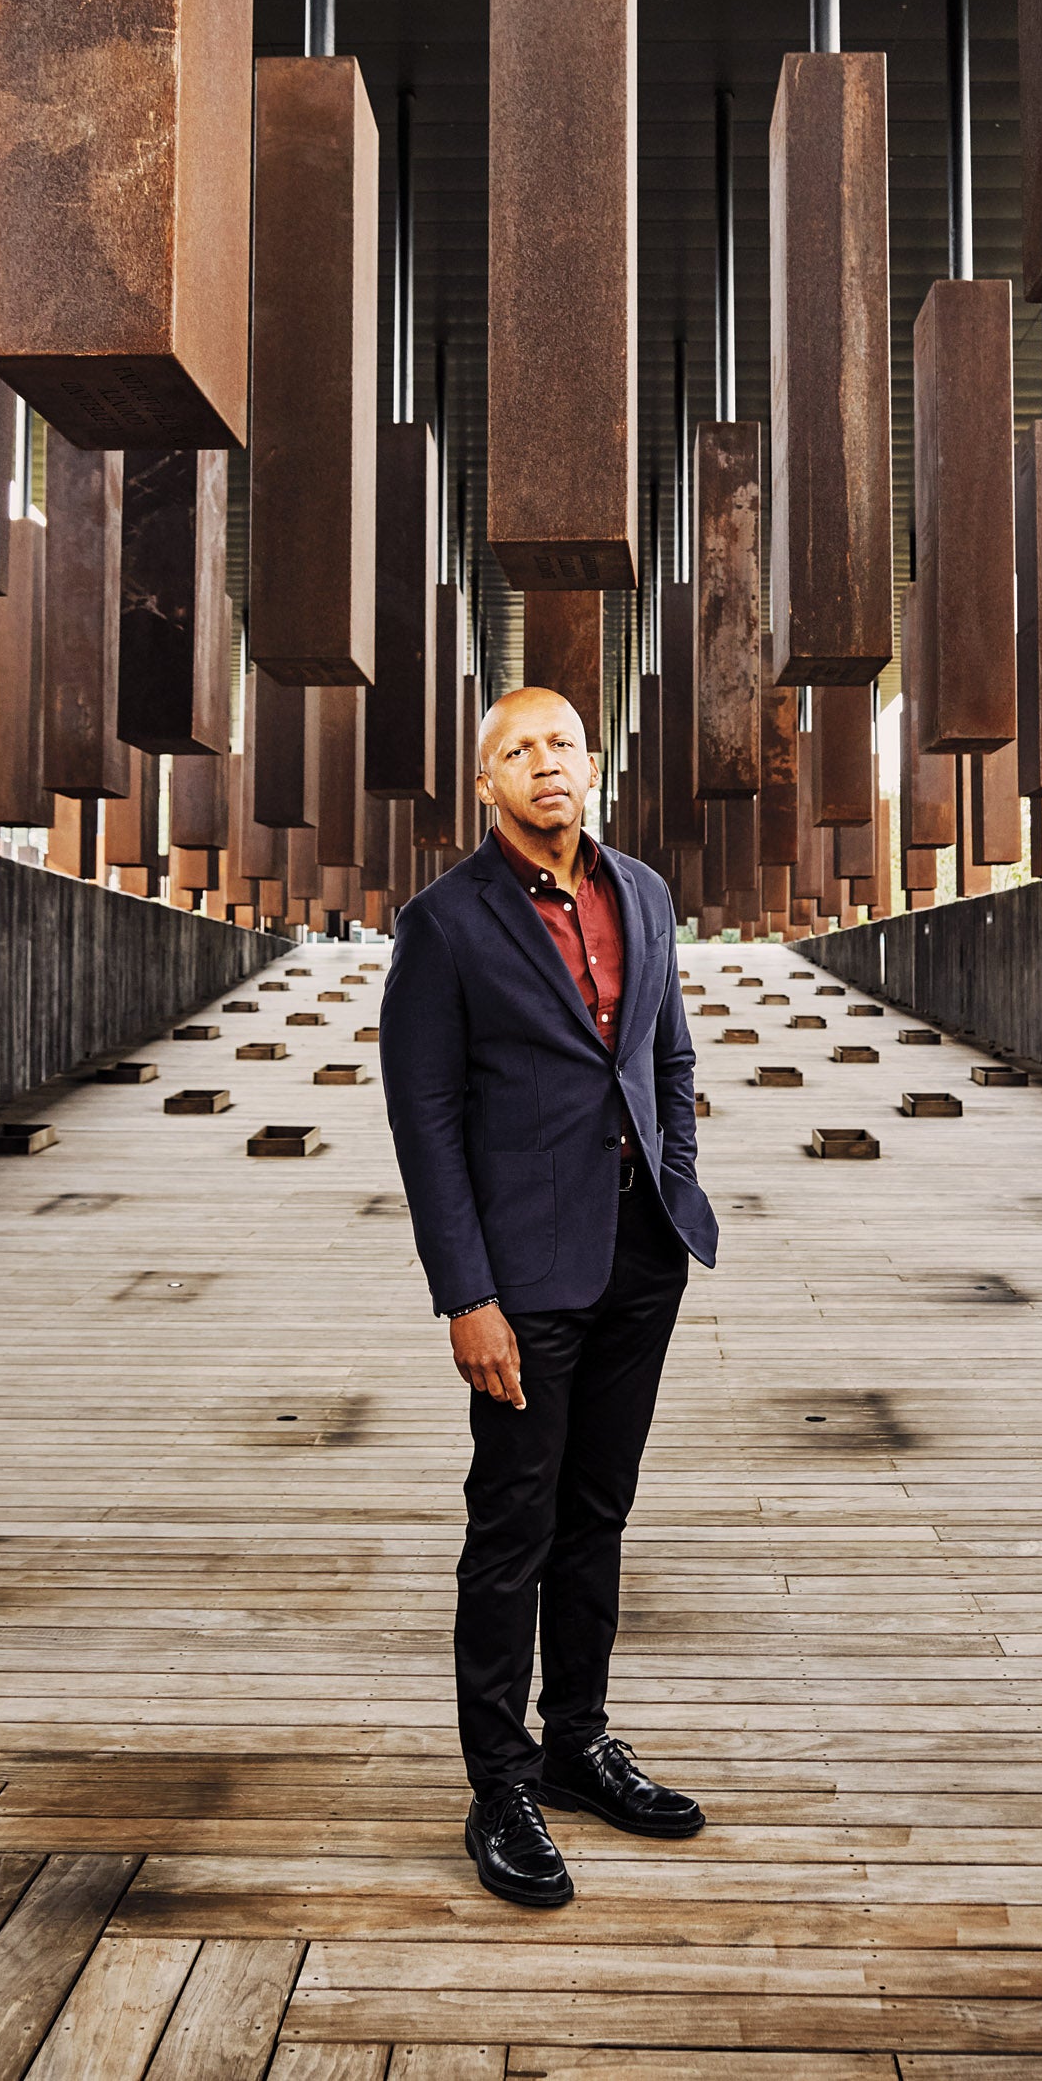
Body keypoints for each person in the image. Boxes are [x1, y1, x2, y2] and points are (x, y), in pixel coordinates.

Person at [378, 685, 721, 1908]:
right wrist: (464, 1296)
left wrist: (675, 1178)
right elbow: (423, 1124)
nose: (544, 765)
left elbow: (666, 1056)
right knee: (511, 1527)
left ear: (591, 763)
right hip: (522, 1279)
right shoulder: (443, 924)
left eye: (561, 745)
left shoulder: (642, 893)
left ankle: (576, 1741)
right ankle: (499, 1784)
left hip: (639, 1257)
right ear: (485, 784)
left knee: (599, 1514)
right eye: (516, 751)